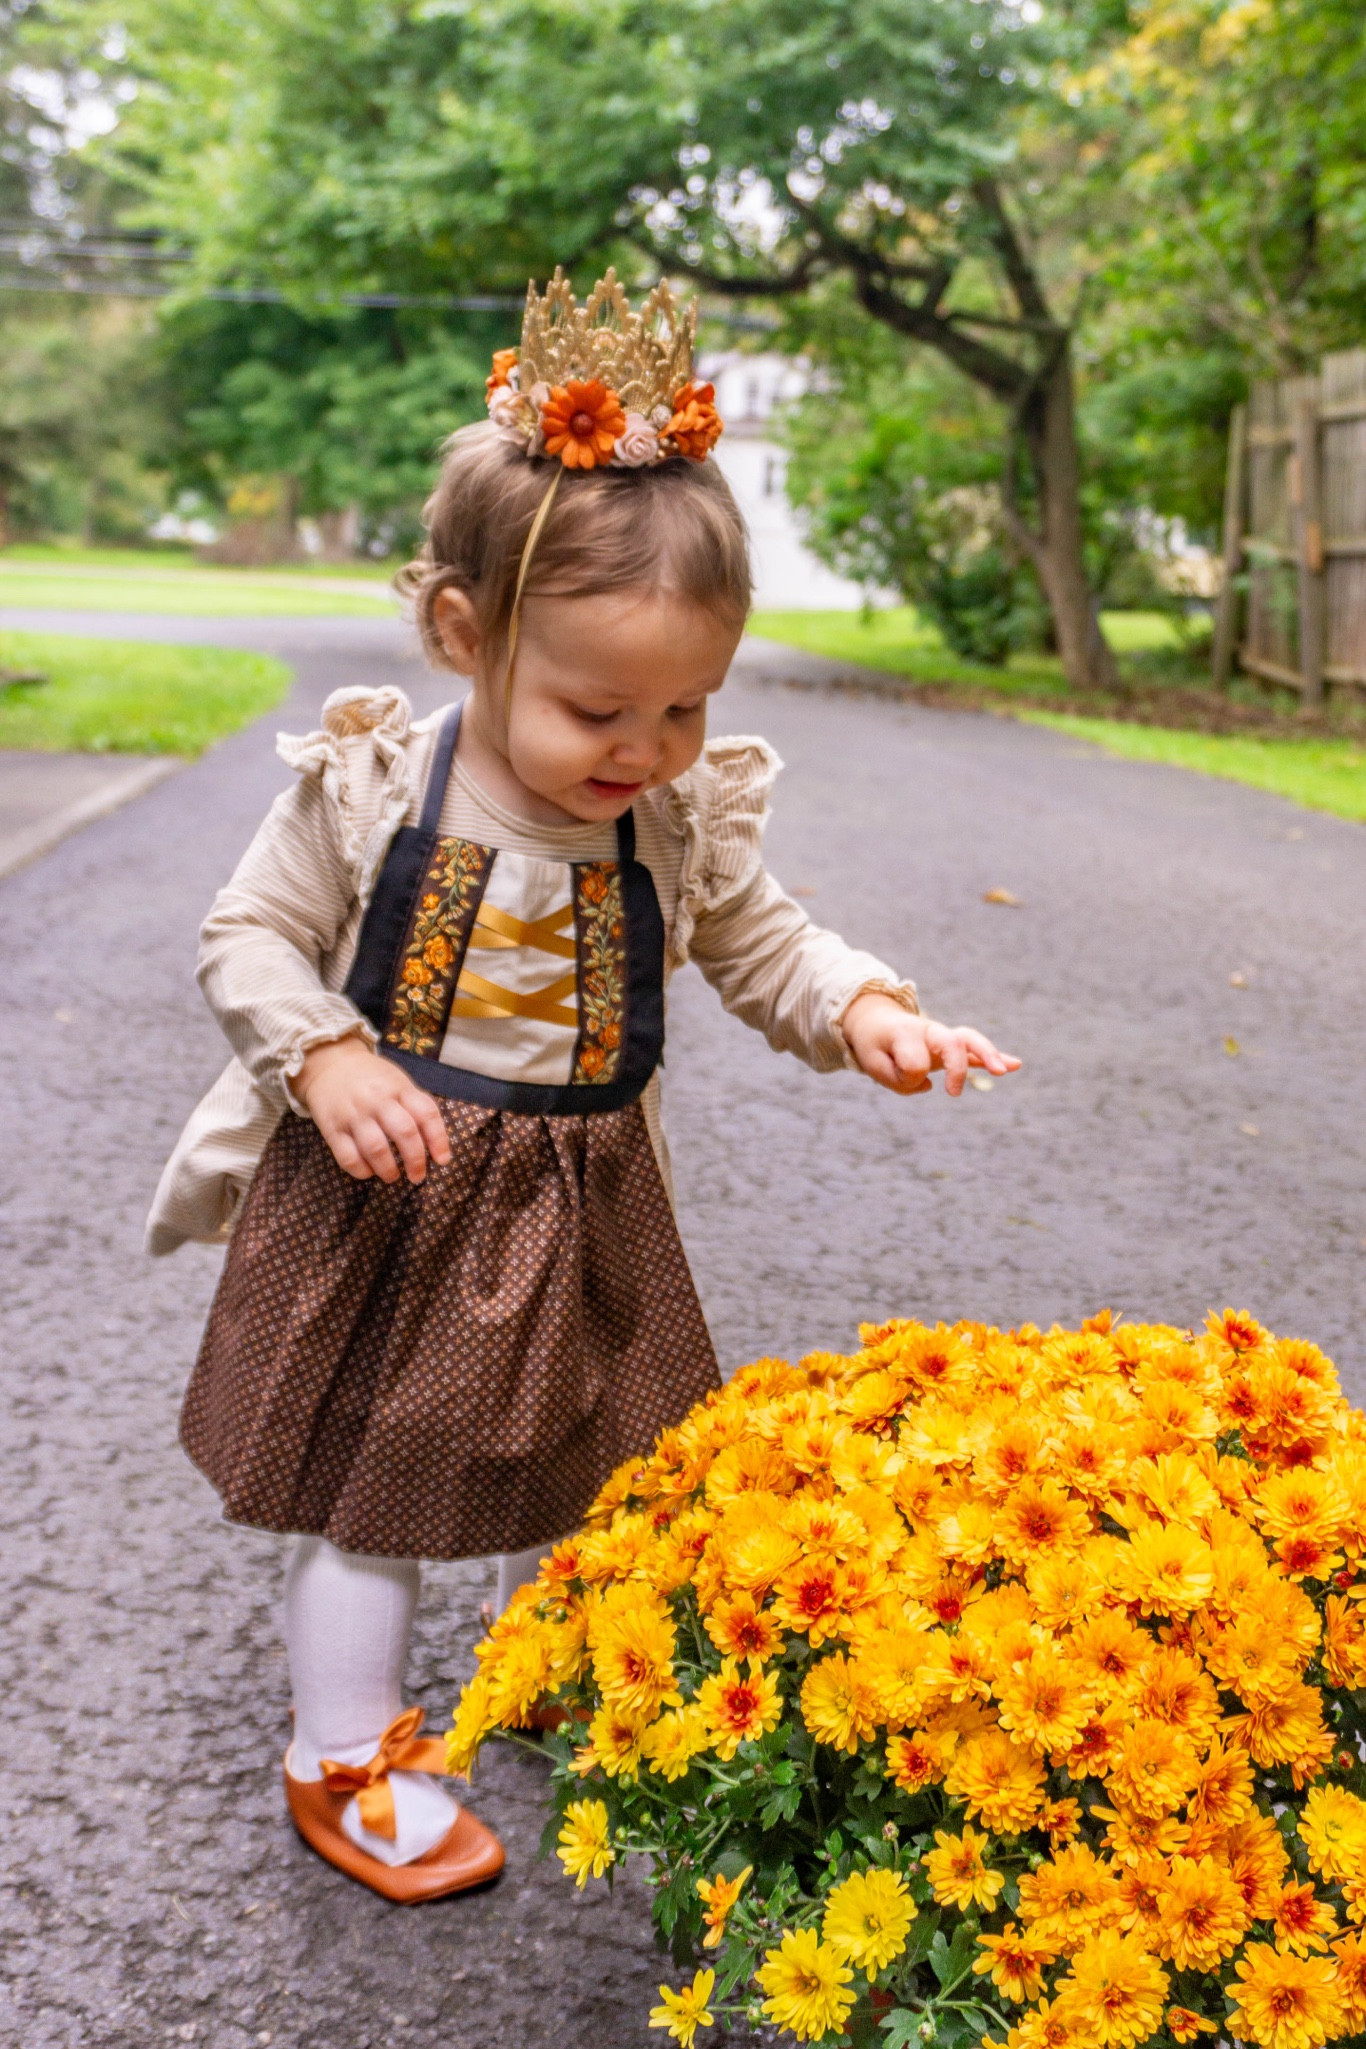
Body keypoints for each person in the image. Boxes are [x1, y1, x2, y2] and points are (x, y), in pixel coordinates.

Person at [146, 269, 1019, 1905]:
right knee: (376, 1487)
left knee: (604, 1457)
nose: (646, 746)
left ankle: (562, 1664)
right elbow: (247, 930)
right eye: (595, 708)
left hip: (587, 1191)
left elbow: (762, 941)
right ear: (464, 635)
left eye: (688, 705)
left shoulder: (667, 819)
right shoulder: (379, 782)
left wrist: (865, 1009)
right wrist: (325, 1052)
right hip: (396, 1192)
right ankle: (343, 1752)